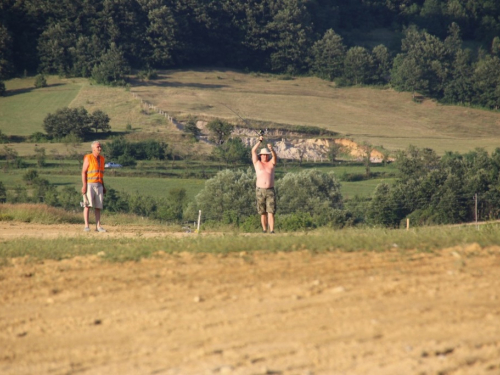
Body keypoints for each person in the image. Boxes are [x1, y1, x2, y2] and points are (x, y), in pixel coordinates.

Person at [252, 135, 277, 233]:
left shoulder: (271, 163)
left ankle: (272, 230)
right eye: (263, 155)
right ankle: (264, 229)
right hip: (260, 190)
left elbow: (275, 157)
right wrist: (259, 141)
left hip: (270, 190)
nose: (265, 156)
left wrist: (272, 149)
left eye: (266, 154)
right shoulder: (257, 163)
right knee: (262, 212)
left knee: (271, 211)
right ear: (260, 155)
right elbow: (253, 151)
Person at [81, 141, 107, 232]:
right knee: (87, 205)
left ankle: (98, 226)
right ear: (93, 149)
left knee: (98, 206)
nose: (100, 148)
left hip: (99, 184)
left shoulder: (102, 159)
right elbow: (84, 172)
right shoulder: (88, 158)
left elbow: (101, 174)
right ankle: (86, 226)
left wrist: (103, 186)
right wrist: (84, 186)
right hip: (90, 184)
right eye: (98, 147)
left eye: (100, 146)